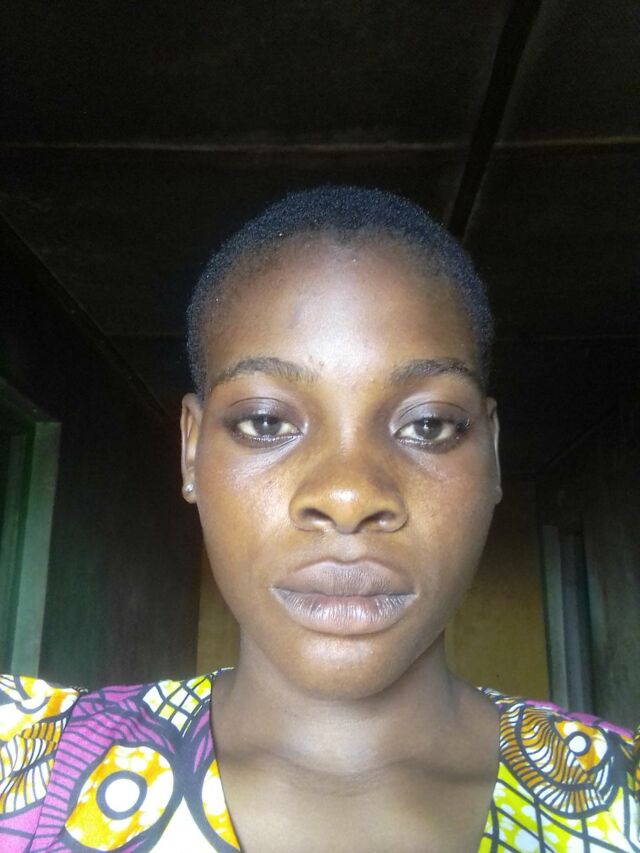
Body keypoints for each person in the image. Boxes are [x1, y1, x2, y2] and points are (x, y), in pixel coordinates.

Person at [0, 187, 637, 852]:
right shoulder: (25, 771)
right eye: (265, 422)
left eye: (427, 424)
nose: (347, 495)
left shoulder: (625, 797)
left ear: (492, 453)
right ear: (191, 450)